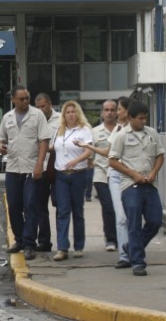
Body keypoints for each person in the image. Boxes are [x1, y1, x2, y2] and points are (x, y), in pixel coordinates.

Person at [108, 100, 165, 277]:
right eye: (140, 118)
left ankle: (130, 247)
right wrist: (133, 173)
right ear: (131, 117)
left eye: (145, 118)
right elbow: (112, 161)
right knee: (133, 224)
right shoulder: (121, 136)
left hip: (150, 184)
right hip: (130, 185)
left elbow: (160, 155)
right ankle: (138, 262)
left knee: (155, 221)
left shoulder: (152, 134)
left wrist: (154, 172)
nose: (143, 121)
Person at [0, 84, 52, 261]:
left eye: (27, 98)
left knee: (31, 206)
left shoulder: (37, 116)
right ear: (13, 99)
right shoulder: (7, 117)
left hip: (31, 168)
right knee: (13, 206)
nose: (25, 101)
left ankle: (29, 244)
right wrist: (1, 147)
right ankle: (19, 240)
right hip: (13, 167)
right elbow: (0, 139)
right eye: (21, 99)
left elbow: (44, 141)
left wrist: (39, 165)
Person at [51, 100, 92, 261]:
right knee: (62, 211)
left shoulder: (84, 130)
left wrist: (76, 160)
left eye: (73, 112)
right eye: (67, 112)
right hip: (61, 174)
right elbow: (53, 147)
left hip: (78, 174)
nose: (70, 115)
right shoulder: (59, 131)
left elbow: (88, 151)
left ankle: (79, 246)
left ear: (78, 113)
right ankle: (62, 248)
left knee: (78, 211)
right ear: (64, 115)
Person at [77, 99, 118, 252]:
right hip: (102, 174)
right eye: (106, 110)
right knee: (108, 207)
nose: (109, 113)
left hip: (121, 174)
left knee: (121, 208)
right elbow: (89, 154)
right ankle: (111, 239)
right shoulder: (94, 132)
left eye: (112, 110)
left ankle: (123, 237)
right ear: (102, 112)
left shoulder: (122, 130)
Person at [34, 92, 60, 252]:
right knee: (40, 206)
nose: (40, 109)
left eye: (43, 106)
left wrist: (51, 148)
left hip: (58, 167)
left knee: (60, 205)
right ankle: (44, 242)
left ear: (50, 104)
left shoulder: (61, 119)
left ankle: (62, 242)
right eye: (37, 107)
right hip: (41, 167)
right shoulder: (34, 120)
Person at [107, 96, 131, 268]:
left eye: (119, 109)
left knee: (134, 217)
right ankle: (124, 255)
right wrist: (88, 148)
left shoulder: (136, 129)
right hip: (115, 175)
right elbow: (108, 153)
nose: (116, 112)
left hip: (132, 176)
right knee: (121, 217)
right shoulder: (116, 129)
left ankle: (134, 250)